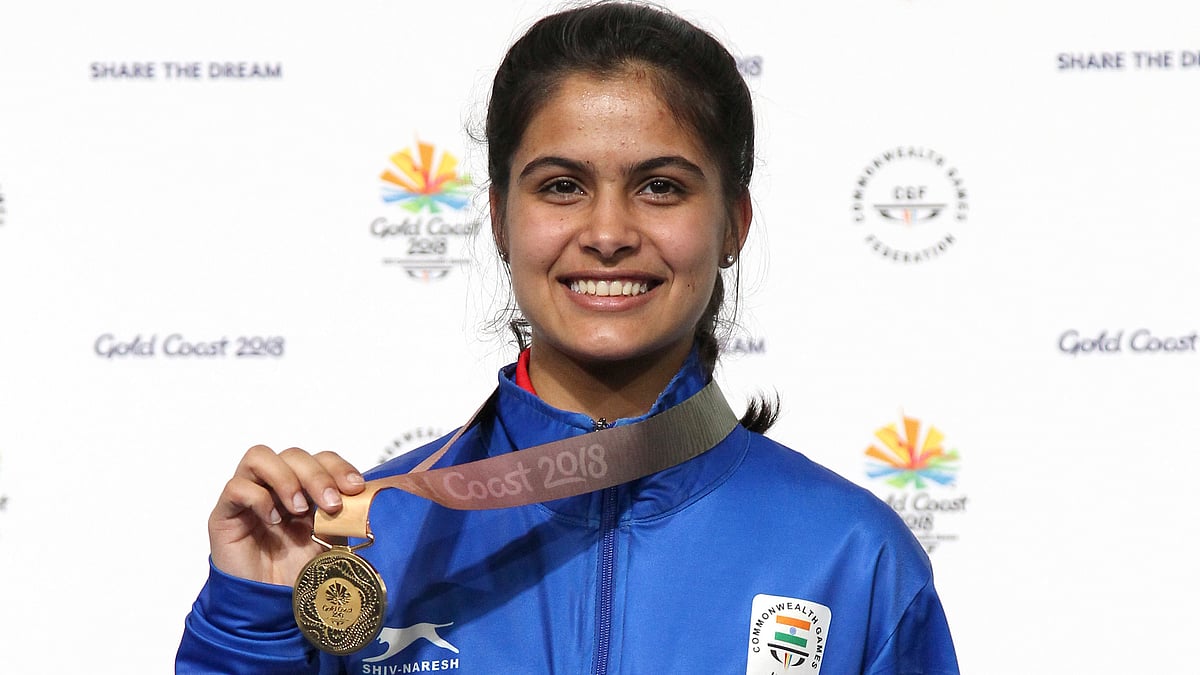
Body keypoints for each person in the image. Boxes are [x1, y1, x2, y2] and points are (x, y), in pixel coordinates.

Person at [177, 2, 959, 673]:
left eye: (660, 186)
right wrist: (252, 623)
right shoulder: (360, 544)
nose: (608, 233)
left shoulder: (852, 556)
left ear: (733, 223)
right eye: (561, 186)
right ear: (498, 219)